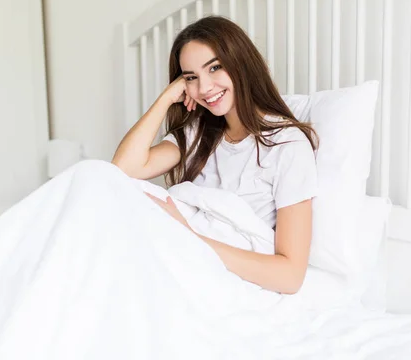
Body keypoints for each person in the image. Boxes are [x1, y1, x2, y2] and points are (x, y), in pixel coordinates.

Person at [112, 16, 318, 295]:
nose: (205, 88)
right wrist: (166, 98)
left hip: (209, 267)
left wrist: (189, 237)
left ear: (241, 63)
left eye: (215, 68)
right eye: (191, 78)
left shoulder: (287, 146)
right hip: (169, 251)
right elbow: (122, 170)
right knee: (91, 179)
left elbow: (290, 276)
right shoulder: (199, 133)